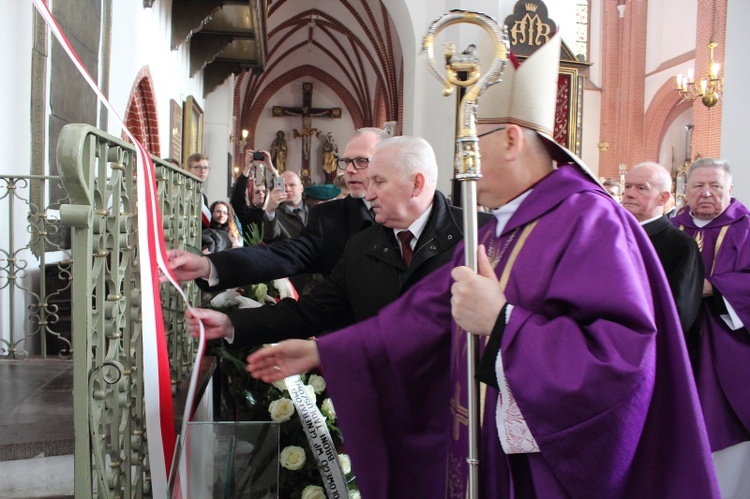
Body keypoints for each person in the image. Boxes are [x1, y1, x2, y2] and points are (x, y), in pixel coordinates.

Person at [246, 33, 718, 498]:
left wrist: (503, 321)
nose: (459, 162)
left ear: (512, 139)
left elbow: (623, 359)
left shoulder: (590, 222)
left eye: (470, 142)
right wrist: (327, 352)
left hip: (543, 471)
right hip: (483, 448)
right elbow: (425, 314)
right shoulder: (495, 229)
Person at [186, 136, 490, 347]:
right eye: (348, 163)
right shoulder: (360, 245)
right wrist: (231, 323)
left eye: (377, 179)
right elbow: (309, 310)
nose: (368, 192)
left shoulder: (481, 237)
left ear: (416, 183)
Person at [164, 128, 389, 292]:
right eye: (346, 161)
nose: (349, 170)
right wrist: (209, 265)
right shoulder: (329, 217)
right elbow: (279, 253)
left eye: (360, 161)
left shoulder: (413, 221)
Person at [672, 158, 750, 498]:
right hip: (675, 343)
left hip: (728, 348)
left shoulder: (745, 229)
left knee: (724, 437)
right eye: (697, 186)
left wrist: (715, 287)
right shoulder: (669, 229)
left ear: (729, 190)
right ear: (685, 191)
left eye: (715, 187)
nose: (705, 194)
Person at [622, 161, 703, 336]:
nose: (629, 194)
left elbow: (680, 313)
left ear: (663, 198)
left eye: (641, 188)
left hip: (650, 344)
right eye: (628, 186)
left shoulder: (681, 246)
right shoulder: (613, 234)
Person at [230, 150, 274, 241]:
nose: (261, 193)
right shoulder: (247, 214)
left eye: (264, 192)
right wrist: (247, 168)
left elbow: (282, 191)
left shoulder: (276, 213)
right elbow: (237, 197)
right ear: (252, 198)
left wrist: (271, 167)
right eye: (257, 192)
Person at [262, 170, 307, 243]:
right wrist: (270, 210)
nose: (287, 189)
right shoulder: (276, 215)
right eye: (283, 186)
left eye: (292, 185)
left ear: (301, 188)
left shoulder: (314, 209)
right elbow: (270, 237)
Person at [187, 153, 212, 228]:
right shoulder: (183, 191)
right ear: (188, 169)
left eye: (205, 168)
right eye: (198, 167)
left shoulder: (203, 197)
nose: (202, 171)